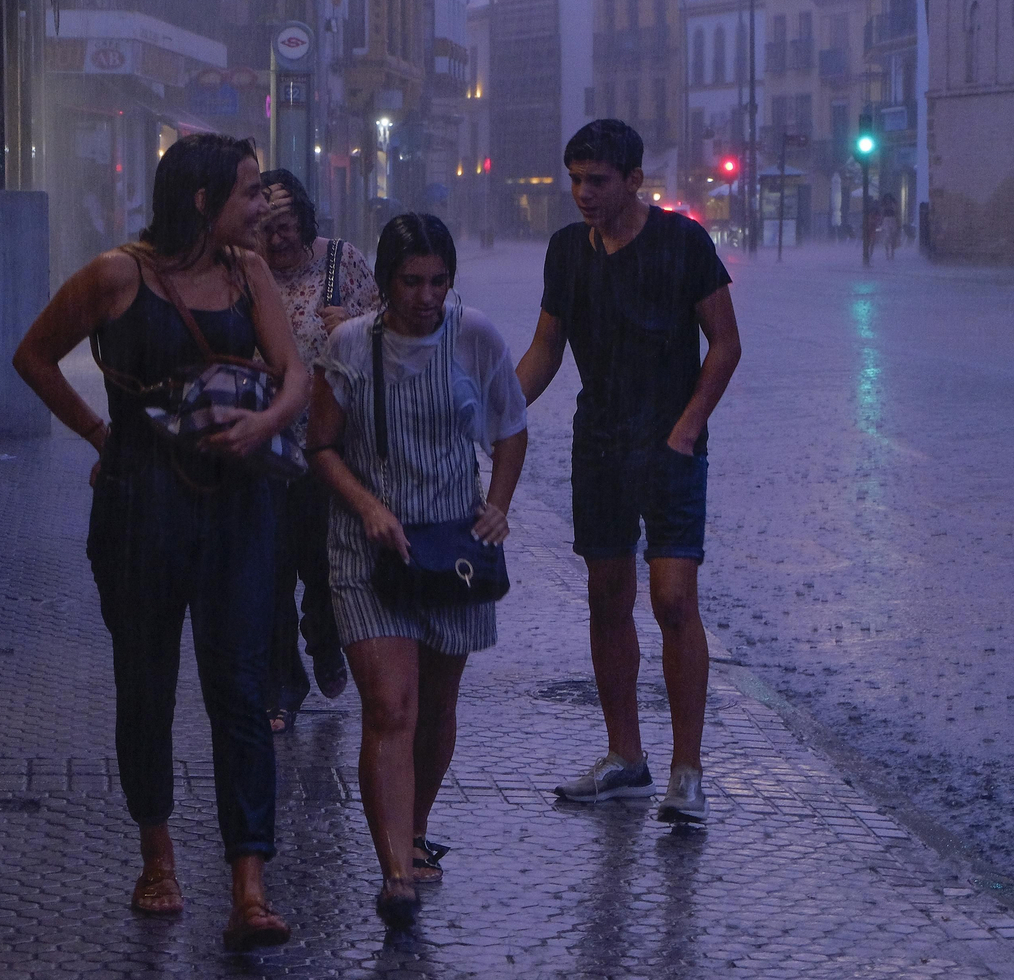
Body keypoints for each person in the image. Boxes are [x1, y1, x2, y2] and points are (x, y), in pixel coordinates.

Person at [12, 134, 307, 951]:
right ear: (204, 203)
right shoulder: (119, 275)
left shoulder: (251, 275)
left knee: (240, 690)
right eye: (250, 193)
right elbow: (33, 356)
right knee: (145, 684)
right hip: (143, 508)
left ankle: (250, 884)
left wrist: (266, 424)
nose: (264, 206)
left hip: (240, 506)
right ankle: (157, 855)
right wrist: (103, 437)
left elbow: (296, 376)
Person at [515, 119, 741, 823]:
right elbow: (546, 348)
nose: (583, 193)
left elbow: (726, 344)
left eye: (598, 181)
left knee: (674, 599)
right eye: (575, 179)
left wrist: (689, 425)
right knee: (607, 597)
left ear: (634, 181)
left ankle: (689, 769)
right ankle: (626, 757)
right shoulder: (566, 253)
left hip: (670, 445)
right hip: (601, 443)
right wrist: (493, 410)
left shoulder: (683, 243)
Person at [308, 213, 528, 927]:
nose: (426, 296)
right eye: (411, 281)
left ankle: (413, 826)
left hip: (450, 552)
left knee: (434, 708)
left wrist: (496, 505)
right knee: (390, 706)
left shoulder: (475, 336)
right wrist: (368, 507)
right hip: (368, 550)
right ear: (387, 280)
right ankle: (395, 872)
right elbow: (321, 447)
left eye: (438, 281)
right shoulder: (348, 345)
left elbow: (511, 426)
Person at [252, 168, 379, 735]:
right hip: (266, 451)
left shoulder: (340, 263)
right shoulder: (245, 274)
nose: (277, 240)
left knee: (326, 570)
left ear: (304, 219)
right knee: (271, 573)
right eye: (265, 230)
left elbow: (393, 328)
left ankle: (325, 641)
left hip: (328, 449)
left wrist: (354, 323)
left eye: (285, 227)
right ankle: (283, 684)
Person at [880, 193, 901, 259]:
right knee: (887, 236)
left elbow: (896, 212)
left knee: (893, 237)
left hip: (893, 219)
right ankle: (887, 253)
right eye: (887, 198)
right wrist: (881, 221)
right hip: (886, 220)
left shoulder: (894, 205)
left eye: (889, 198)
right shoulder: (884, 205)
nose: (888, 200)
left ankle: (892, 253)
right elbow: (882, 213)